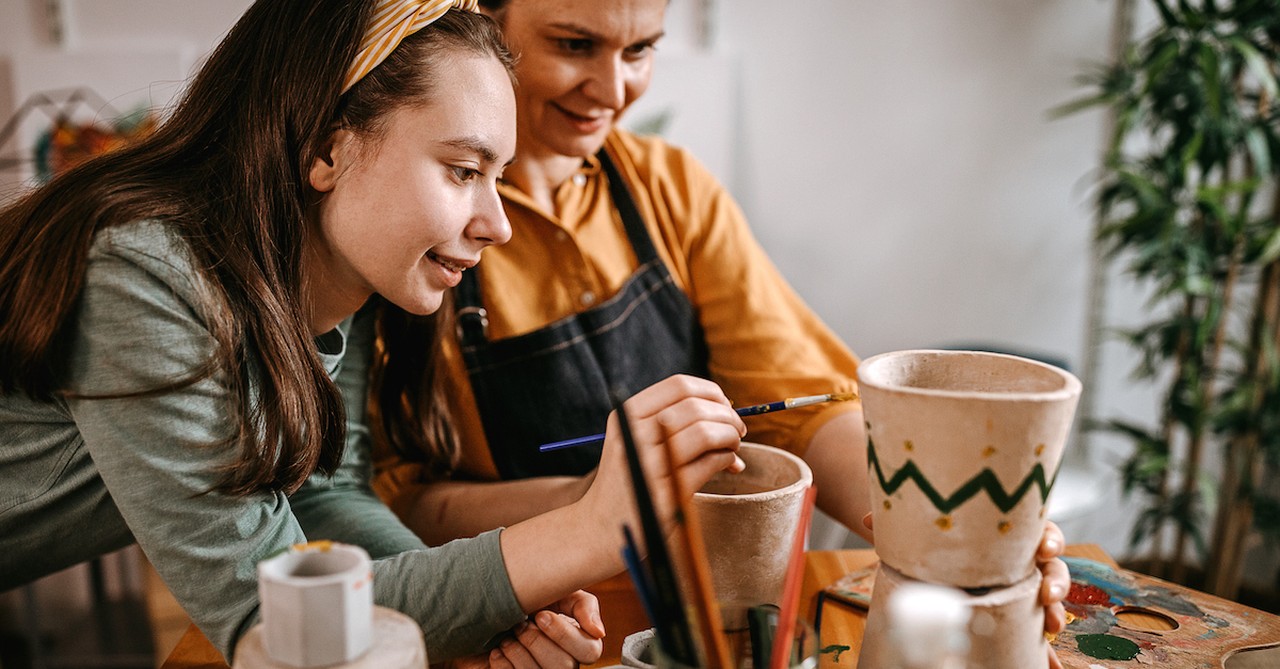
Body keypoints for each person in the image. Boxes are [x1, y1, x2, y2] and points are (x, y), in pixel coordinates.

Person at [0, 1, 749, 664]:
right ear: (329, 149)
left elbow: (324, 500)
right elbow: (268, 615)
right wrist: (585, 530)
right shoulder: (143, 271)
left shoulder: (333, 273)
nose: (497, 224)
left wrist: (496, 603)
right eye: (463, 170)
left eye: (499, 176)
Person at [371, 0, 1070, 665]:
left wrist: (939, 524)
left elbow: (806, 406)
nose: (612, 88)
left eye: (641, 49)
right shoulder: (420, 232)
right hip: (533, 627)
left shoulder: (670, 189)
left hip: (711, 615)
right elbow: (393, 503)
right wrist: (596, 500)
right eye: (574, 44)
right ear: (484, 22)